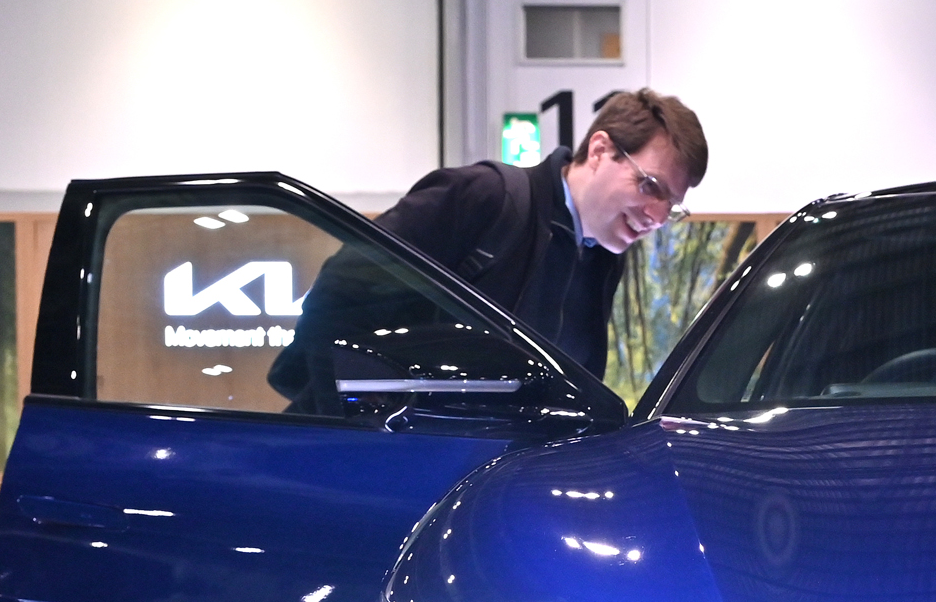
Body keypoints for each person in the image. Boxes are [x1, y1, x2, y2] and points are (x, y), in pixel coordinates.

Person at [270, 90, 705, 409]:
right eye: (650, 186)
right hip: (378, 461)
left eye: (672, 206)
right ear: (599, 150)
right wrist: (351, 418)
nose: (656, 215)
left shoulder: (602, 258)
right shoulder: (483, 197)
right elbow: (341, 290)